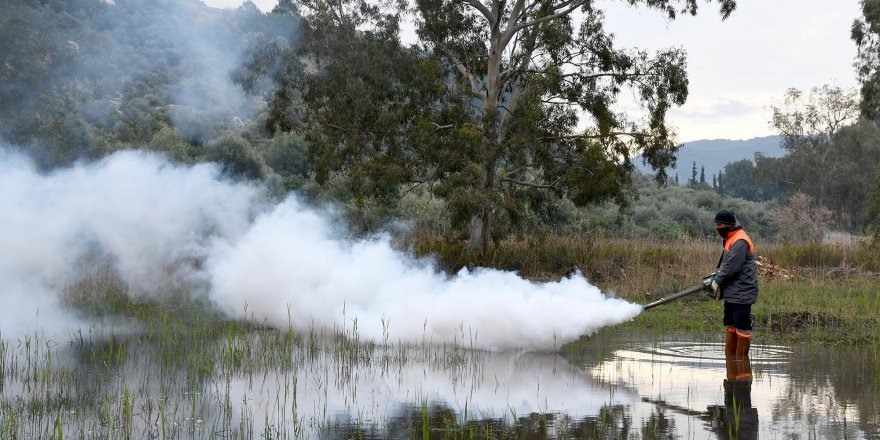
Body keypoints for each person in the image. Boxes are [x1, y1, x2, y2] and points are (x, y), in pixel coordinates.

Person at [710, 209, 759, 358]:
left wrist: (717, 281)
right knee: (731, 326)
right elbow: (726, 265)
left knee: (742, 329)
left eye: (720, 225)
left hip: (743, 293)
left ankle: (742, 369)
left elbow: (732, 266)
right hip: (732, 293)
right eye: (716, 224)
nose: (718, 228)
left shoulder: (740, 240)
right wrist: (716, 277)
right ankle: (731, 367)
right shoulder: (731, 238)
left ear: (729, 225)